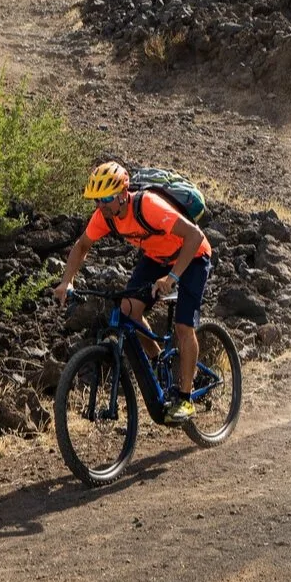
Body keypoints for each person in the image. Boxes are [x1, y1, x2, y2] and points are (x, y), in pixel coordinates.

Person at [53, 160, 212, 423]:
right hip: (157, 257)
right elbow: (82, 246)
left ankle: (185, 399)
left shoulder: (148, 205)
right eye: (96, 200)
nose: (101, 205)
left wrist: (172, 278)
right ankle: (160, 363)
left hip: (193, 255)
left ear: (123, 194)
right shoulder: (105, 217)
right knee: (127, 311)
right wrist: (66, 281)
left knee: (184, 326)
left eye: (106, 198)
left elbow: (194, 236)